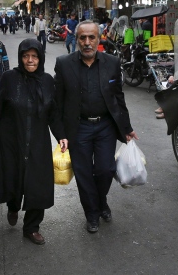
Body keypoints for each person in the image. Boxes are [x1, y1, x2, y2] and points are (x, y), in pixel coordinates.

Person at [54, 20, 138, 233]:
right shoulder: (64, 63)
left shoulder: (112, 62)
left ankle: (101, 201)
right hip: (78, 128)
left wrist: (126, 128)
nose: (87, 42)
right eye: (82, 38)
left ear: (100, 38)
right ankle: (92, 213)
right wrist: (61, 134)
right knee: (83, 174)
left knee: (105, 169)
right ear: (78, 39)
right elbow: (58, 102)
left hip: (105, 127)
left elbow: (118, 98)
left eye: (92, 37)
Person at [0, 38, 68, 245]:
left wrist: (61, 135)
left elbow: (53, 113)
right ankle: (13, 205)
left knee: (37, 184)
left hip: (38, 142)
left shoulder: (47, 81)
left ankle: (32, 227)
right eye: (26, 56)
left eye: (34, 56)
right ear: (20, 57)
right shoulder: (9, 78)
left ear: (40, 58)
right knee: (14, 179)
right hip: (11, 140)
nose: (30, 60)